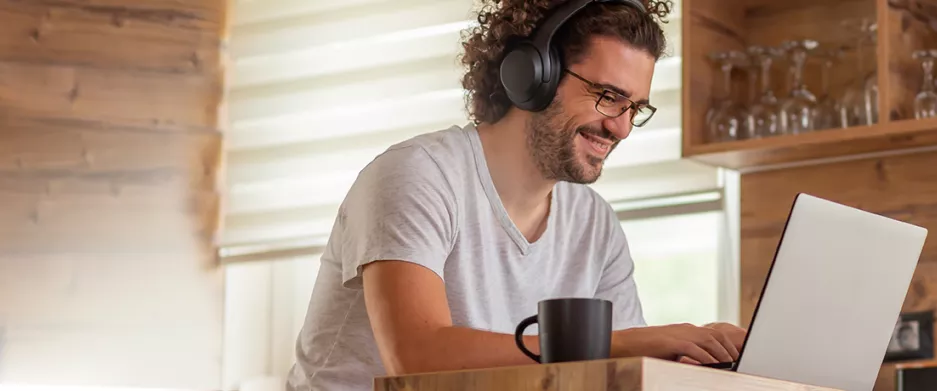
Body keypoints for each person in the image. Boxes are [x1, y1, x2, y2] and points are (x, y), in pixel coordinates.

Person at [284, 0, 747, 390]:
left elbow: (615, 374)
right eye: (608, 96)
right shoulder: (419, 174)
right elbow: (417, 358)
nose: (621, 127)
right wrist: (628, 345)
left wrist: (695, 357)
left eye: (634, 108)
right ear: (533, 75)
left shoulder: (594, 223)